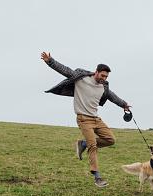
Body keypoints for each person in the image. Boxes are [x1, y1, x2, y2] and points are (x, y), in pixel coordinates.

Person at [41, 51, 132, 187]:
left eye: (106, 77)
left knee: (111, 140)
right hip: (84, 119)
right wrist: (50, 61)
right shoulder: (81, 78)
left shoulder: (103, 86)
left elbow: (112, 96)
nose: (104, 78)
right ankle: (98, 177)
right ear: (96, 72)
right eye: (102, 75)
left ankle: (82, 144)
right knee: (93, 146)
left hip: (96, 119)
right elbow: (65, 70)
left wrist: (124, 105)